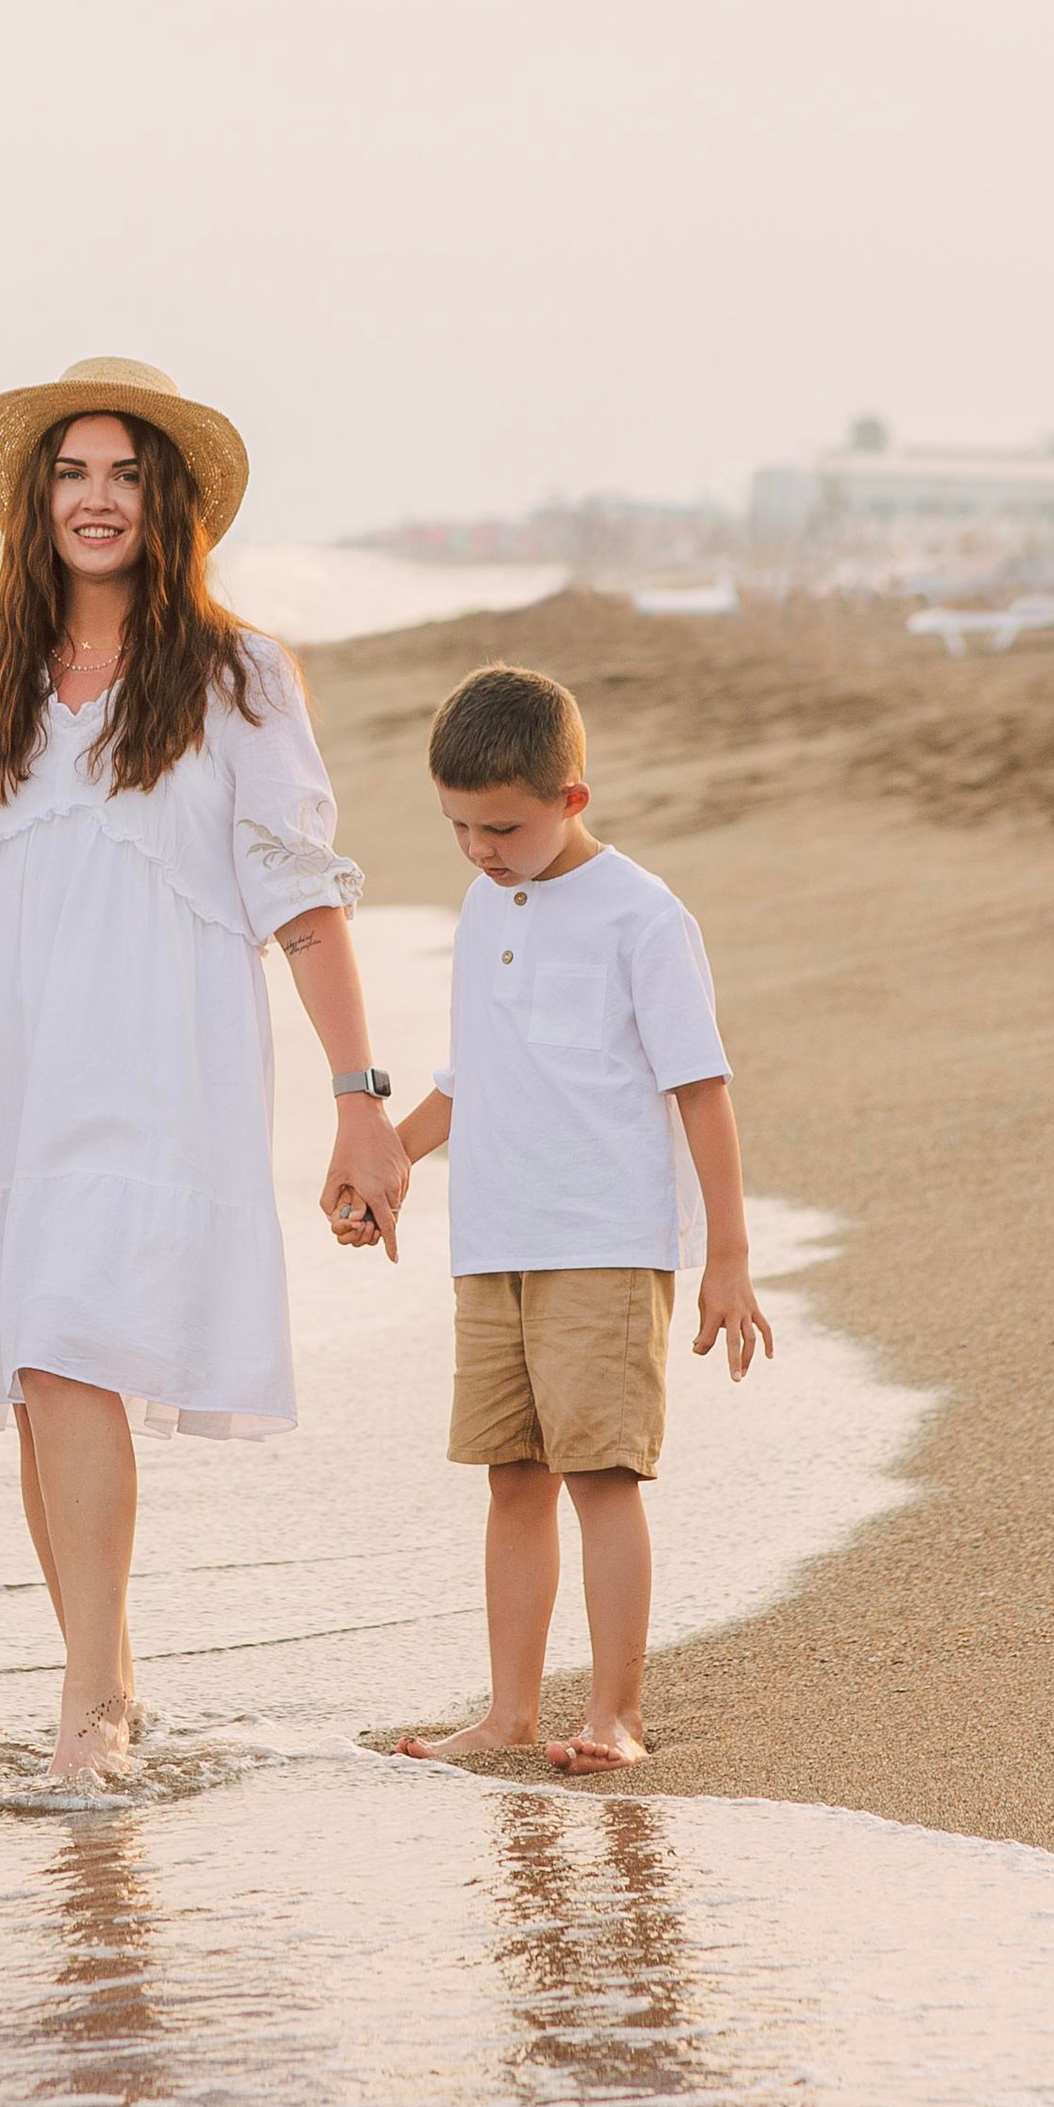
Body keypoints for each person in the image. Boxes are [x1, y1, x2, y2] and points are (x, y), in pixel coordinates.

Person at [0, 356, 410, 1785]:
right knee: (35, 1366)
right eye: (71, 474)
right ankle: (104, 1672)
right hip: (7, 1067)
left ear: (169, 500)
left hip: (155, 1061)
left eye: (125, 474)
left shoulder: (238, 673)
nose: (96, 498)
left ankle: (92, 1701)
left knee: (70, 1344)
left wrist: (359, 1099)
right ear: (35, 501)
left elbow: (298, 898)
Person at [375, 662, 773, 1774]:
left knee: (601, 1477)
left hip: (602, 1239)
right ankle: (506, 1712)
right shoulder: (477, 902)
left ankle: (615, 1715)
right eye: (457, 827)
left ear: (571, 800)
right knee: (512, 1480)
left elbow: (700, 1085)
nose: (478, 850)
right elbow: (471, 1074)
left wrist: (727, 1257)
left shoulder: (642, 916)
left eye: (499, 827)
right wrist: (390, 1157)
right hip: (492, 1238)